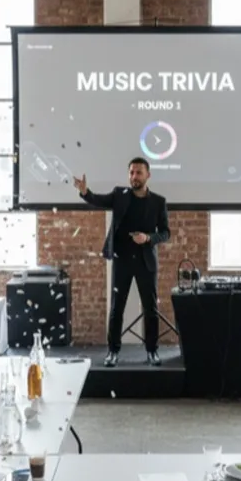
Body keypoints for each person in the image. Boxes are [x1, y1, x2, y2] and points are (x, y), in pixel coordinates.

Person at [73, 157, 170, 367]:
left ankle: (152, 351)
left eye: (139, 173)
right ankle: (113, 352)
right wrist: (85, 192)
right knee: (117, 308)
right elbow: (98, 200)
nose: (134, 176)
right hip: (122, 260)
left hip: (146, 262)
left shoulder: (158, 202)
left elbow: (165, 233)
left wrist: (148, 238)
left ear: (148, 175)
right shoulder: (119, 195)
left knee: (150, 309)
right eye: (131, 172)